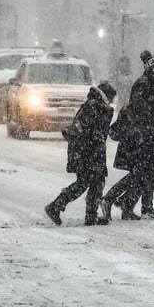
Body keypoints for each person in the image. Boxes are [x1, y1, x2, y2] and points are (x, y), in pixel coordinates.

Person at [100, 50, 154, 222]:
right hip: (141, 138)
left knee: (149, 172)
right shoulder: (143, 84)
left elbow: (152, 114)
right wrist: (147, 129)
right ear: (153, 69)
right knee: (141, 174)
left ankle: (132, 206)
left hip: (149, 136)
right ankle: (111, 200)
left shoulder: (153, 85)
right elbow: (139, 111)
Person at [45, 82, 117, 226]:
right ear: (105, 95)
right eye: (111, 98)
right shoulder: (95, 106)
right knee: (87, 182)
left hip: (87, 150)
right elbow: (92, 131)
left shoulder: (96, 105)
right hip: (87, 151)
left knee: (94, 182)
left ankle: (88, 215)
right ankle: (56, 206)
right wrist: (95, 148)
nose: (111, 102)